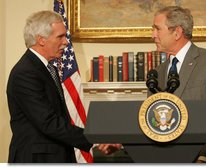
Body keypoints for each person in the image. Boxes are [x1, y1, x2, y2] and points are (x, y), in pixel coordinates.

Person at [6, 10, 120, 163]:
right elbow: (48, 122)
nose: (66, 42)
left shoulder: (48, 68)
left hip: (55, 156)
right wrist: (95, 138)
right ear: (41, 40)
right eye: (60, 36)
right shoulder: (25, 72)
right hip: (37, 159)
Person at [150, 6, 206, 163]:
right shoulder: (157, 72)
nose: (152, 35)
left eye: (157, 29)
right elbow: (150, 119)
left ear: (177, 32)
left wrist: (205, 158)